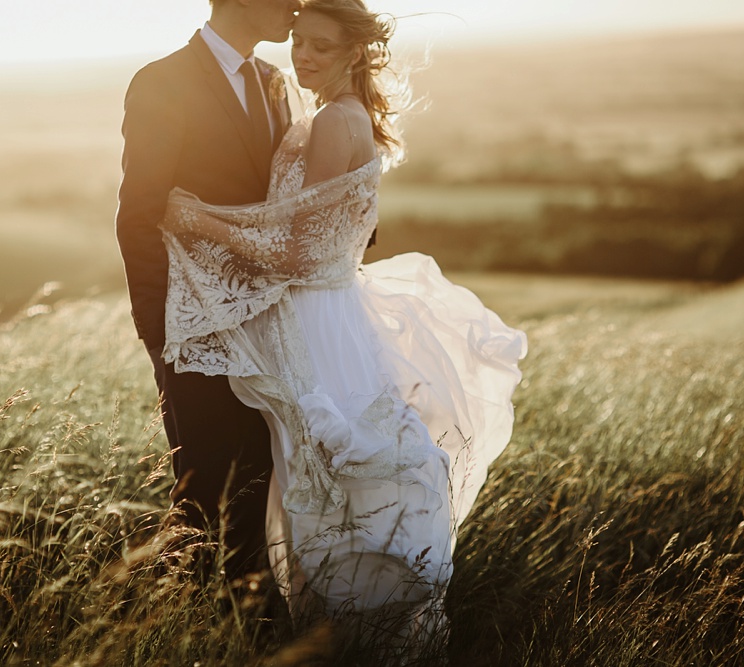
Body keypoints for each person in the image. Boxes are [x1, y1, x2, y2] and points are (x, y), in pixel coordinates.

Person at [159, 0, 526, 656]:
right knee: (321, 477)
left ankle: (348, 632)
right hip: (330, 308)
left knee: (328, 477)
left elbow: (298, 253)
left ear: (355, 52)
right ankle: (347, 631)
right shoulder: (337, 113)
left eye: (320, 47)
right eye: (298, 41)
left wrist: (199, 222)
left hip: (318, 320)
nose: (301, 56)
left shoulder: (333, 121)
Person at [115, 0, 300, 577]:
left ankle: (250, 629)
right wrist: (159, 334)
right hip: (192, 331)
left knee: (261, 487)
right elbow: (139, 215)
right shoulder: (162, 82)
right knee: (203, 497)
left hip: (273, 326)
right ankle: (187, 633)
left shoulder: (275, 82)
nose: (298, 5)